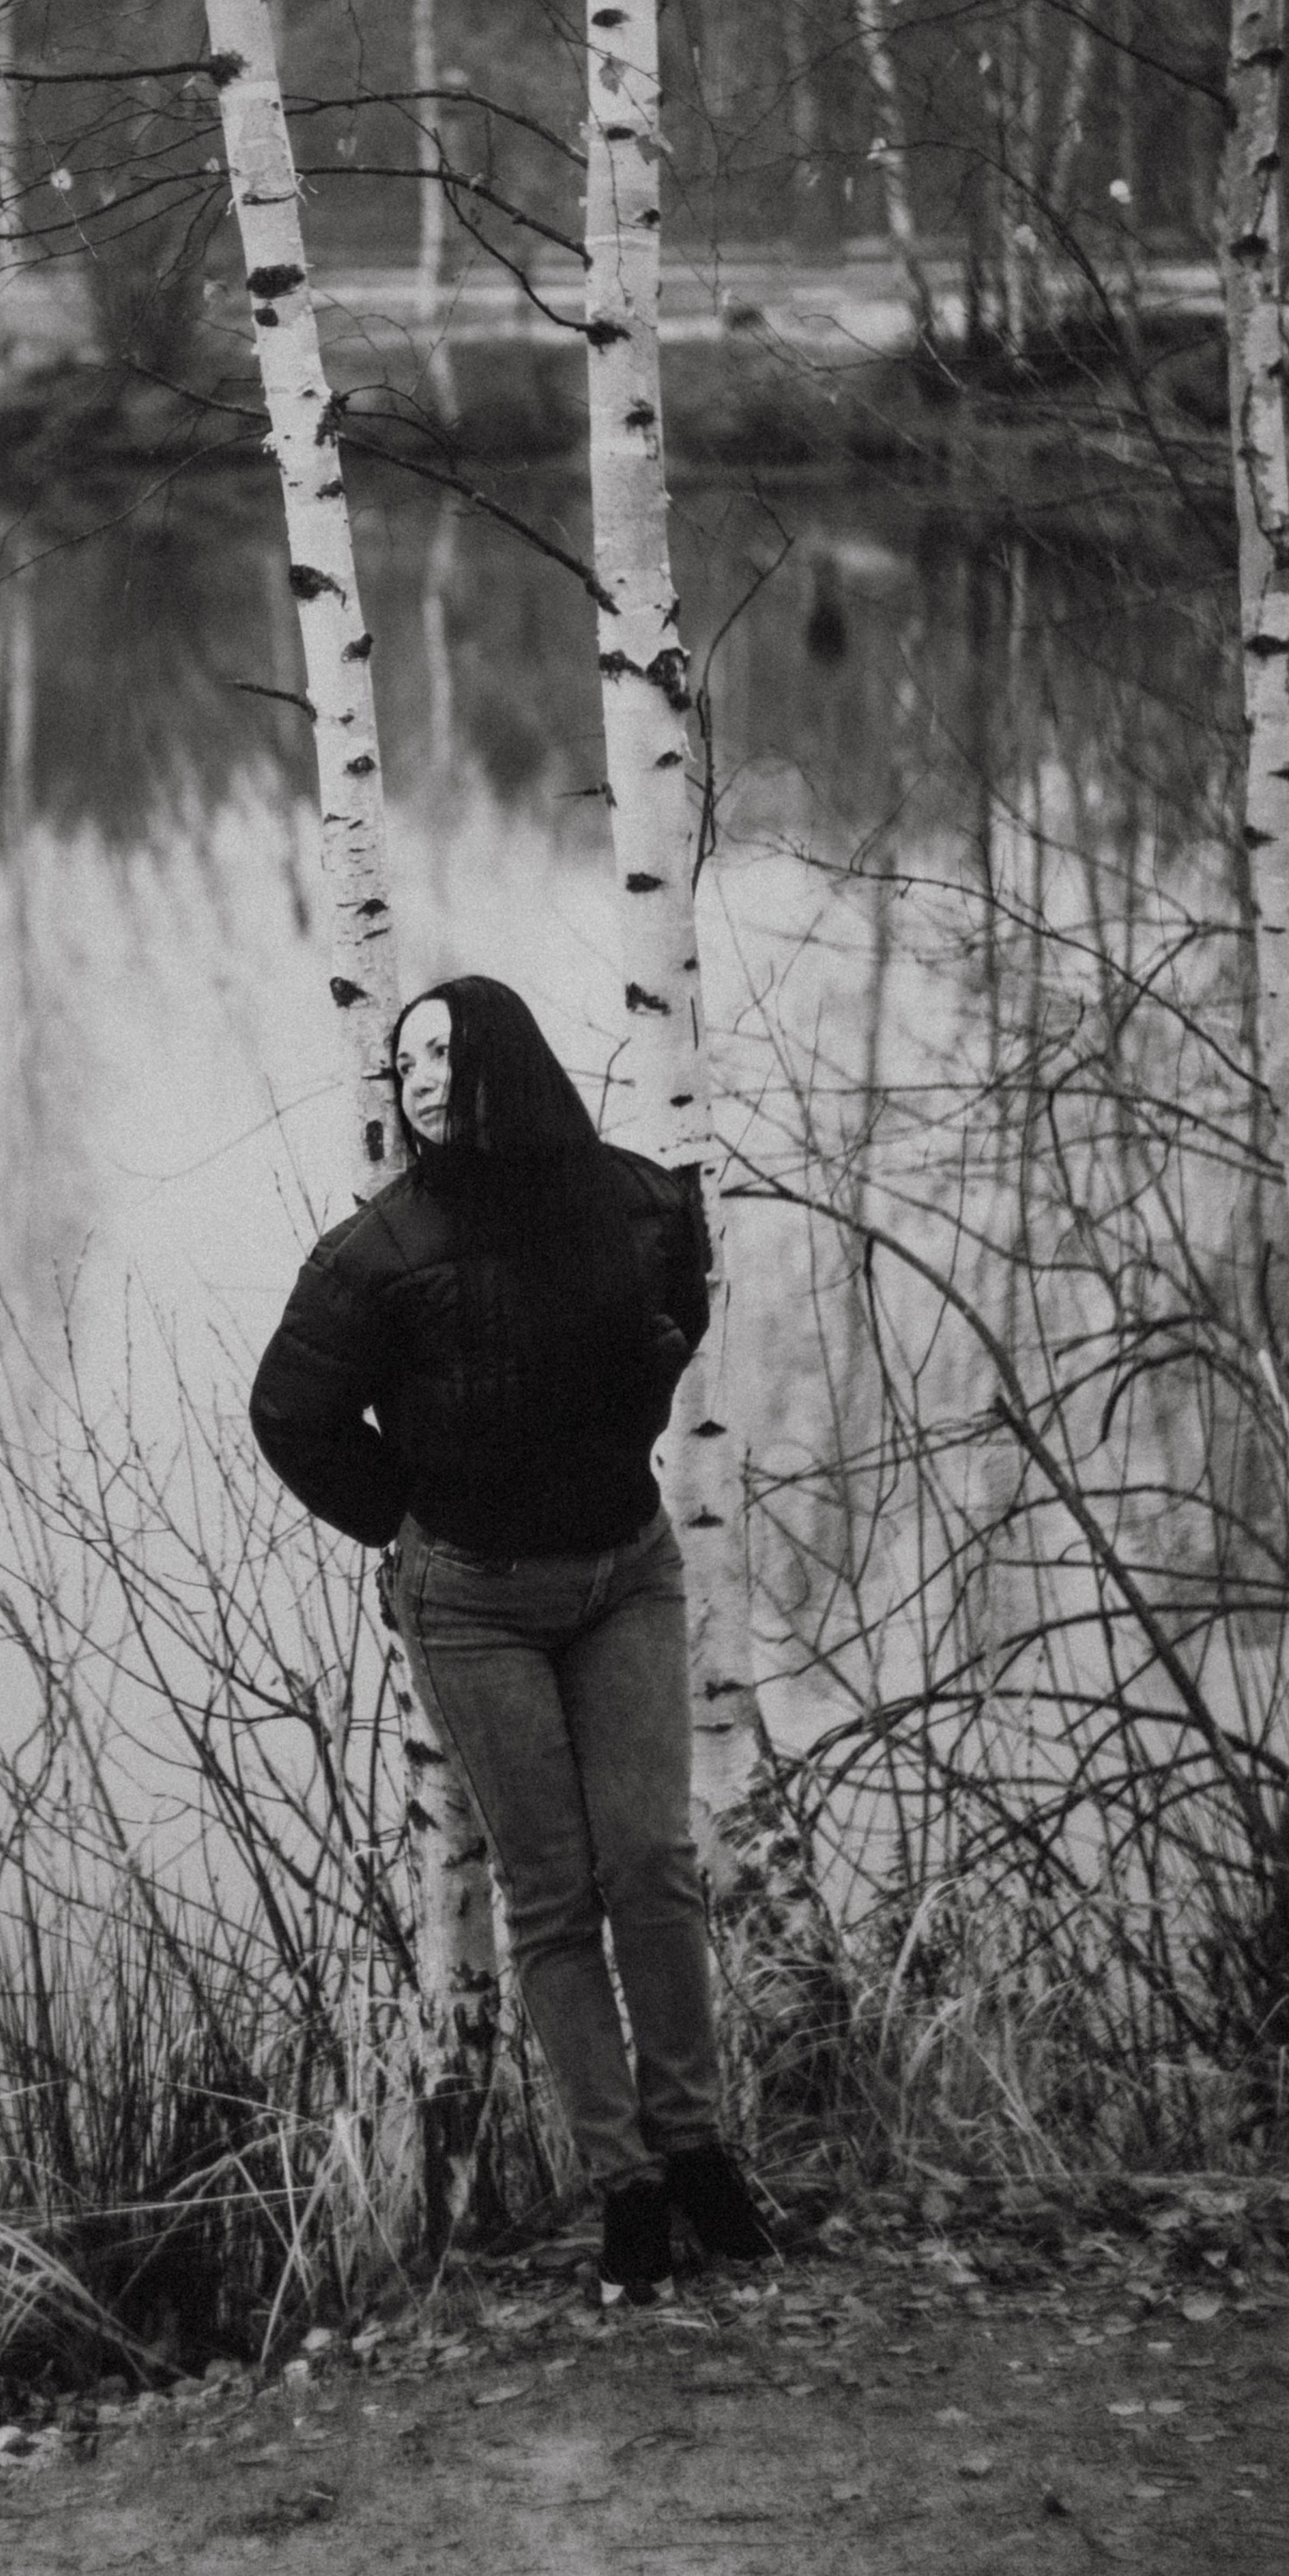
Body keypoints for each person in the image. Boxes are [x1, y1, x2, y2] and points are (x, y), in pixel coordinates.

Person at [248, 972, 772, 2296]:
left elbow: (676, 1316)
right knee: (551, 1891)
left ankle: (700, 2149)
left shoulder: (641, 1199)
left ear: (509, 1059)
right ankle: (628, 2186)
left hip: (625, 1577)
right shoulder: (375, 1252)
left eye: (446, 1049)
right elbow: (289, 1416)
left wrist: (622, 1422)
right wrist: (411, 1526)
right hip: (474, 1603)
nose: (421, 1076)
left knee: (650, 1861)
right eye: (405, 1058)